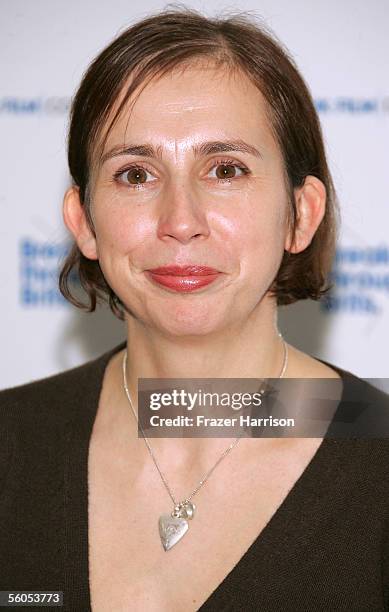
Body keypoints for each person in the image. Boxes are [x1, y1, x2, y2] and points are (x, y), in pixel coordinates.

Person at [1, 7, 389, 612]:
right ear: (84, 223)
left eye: (225, 169)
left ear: (300, 214)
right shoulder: (9, 441)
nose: (180, 222)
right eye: (135, 174)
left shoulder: (379, 465)